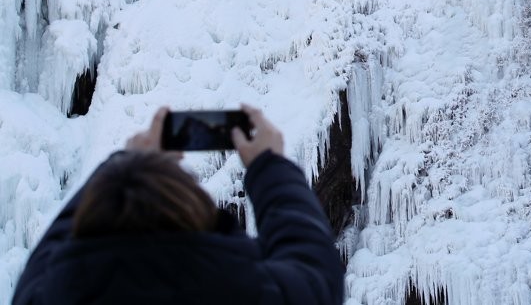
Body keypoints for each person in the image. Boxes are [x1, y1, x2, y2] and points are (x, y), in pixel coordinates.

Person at [12, 105, 343, 304]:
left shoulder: (54, 295)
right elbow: (315, 270)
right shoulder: (245, 291)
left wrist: (123, 170)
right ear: (200, 219)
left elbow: (43, 260)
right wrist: (269, 166)